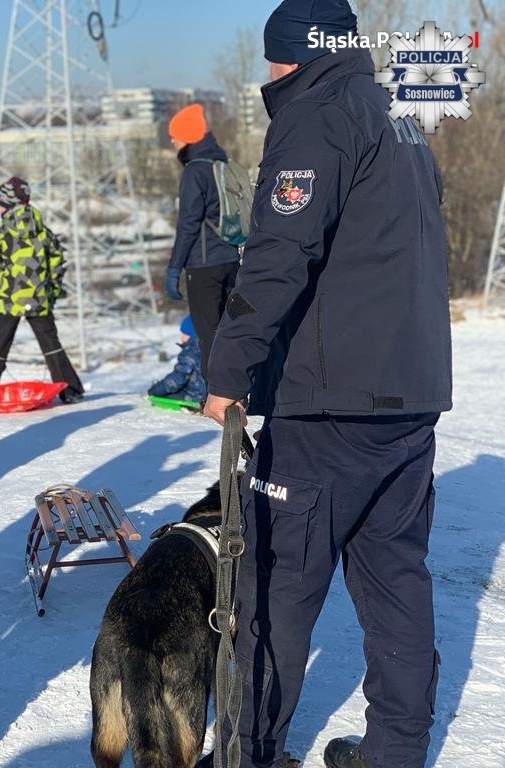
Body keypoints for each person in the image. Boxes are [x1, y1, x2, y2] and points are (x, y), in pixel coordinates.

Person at [202, 2, 451, 767]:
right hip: (408, 397)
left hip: (329, 405)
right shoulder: (400, 117)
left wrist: (229, 369)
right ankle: (395, 753)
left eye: (273, 61)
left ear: (293, 58)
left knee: (273, 590)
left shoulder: (315, 115)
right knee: (395, 581)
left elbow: (279, 255)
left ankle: (247, 755)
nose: (269, 75)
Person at [0, 176, 84, 404]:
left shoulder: (2, 234)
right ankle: (70, 391)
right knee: (51, 345)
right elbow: (57, 263)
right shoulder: (44, 232)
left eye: (1, 204)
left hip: (7, 299)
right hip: (39, 298)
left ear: (9, 204)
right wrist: (51, 292)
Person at [164, 103, 241, 382]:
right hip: (231, 260)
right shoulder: (222, 165)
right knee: (232, 330)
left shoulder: (194, 171)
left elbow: (188, 224)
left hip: (204, 265)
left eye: (175, 135)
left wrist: (174, 268)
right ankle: (238, 390)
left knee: (208, 334)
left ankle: (216, 393)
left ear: (187, 137)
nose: (172, 141)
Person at [147, 315, 205, 405]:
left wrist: (154, 390)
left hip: (195, 395)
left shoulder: (191, 351)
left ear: (193, 334)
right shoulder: (207, 346)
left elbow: (177, 378)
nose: (181, 337)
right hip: (210, 394)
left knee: (163, 395)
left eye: (184, 333)